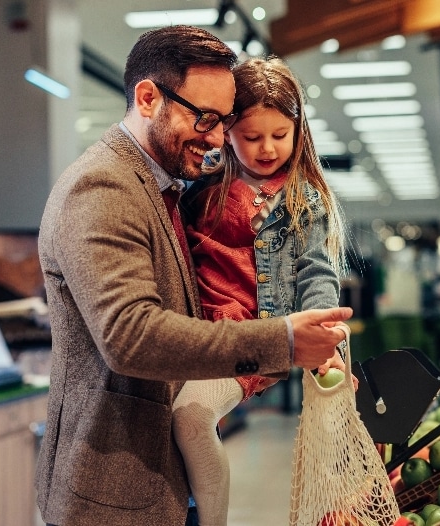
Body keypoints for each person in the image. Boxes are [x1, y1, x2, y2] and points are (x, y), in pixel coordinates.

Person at [35, 26, 352, 526]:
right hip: (114, 493)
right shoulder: (103, 187)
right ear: (147, 98)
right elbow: (130, 337)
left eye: (223, 121)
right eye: (205, 118)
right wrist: (283, 341)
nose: (216, 137)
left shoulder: (170, 185)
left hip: (156, 482)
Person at [172, 56, 350, 526]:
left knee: (191, 418)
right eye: (251, 136)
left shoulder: (302, 197)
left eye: (280, 135)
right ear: (227, 131)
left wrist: (325, 337)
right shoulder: (202, 183)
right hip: (196, 333)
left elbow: (317, 273)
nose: (267, 148)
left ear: (299, 130)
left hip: (254, 338)